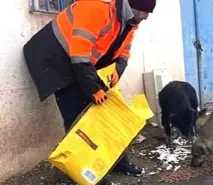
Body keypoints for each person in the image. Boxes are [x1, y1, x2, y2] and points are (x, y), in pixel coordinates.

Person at [23, 0, 156, 184]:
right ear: (133, 7)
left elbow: (124, 51)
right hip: (52, 58)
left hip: (79, 63)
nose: (147, 17)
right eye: (145, 12)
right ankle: (83, 171)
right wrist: (93, 88)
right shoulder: (96, 7)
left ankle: (117, 161)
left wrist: (118, 69)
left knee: (106, 112)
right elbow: (79, 53)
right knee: (77, 116)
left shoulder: (130, 21)